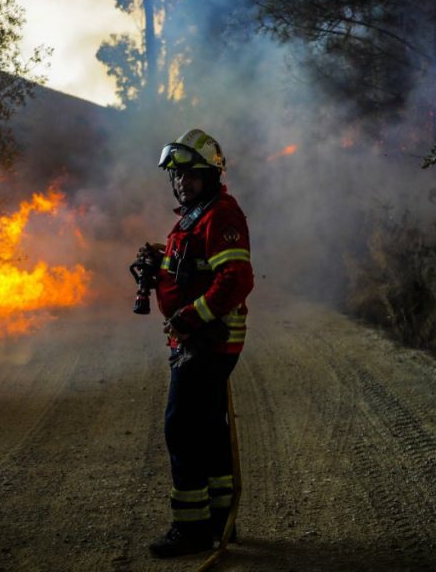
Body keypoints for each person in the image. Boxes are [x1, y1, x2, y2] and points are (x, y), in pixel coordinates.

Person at [140, 129, 254, 558]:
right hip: (196, 340)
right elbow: (194, 266)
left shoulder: (221, 214)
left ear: (209, 174)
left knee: (183, 430)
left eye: (189, 175)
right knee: (206, 429)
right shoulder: (198, 214)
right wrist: (161, 260)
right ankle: (221, 519)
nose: (180, 182)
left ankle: (191, 530)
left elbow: (236, 279)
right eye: (176, 176)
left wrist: (190, 317)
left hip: (207, 341)